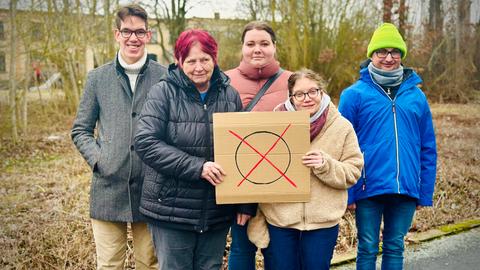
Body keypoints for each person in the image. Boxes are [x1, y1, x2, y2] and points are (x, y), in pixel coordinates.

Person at [134, 29, 256, 270]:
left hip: (216, 210)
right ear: (179, 61)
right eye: (191, 61)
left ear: (215, 59)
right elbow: (145, 141)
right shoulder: (163, 93)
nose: (198, 67)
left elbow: (244, 150)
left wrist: (245, 202)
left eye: (205, 60)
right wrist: (197, 167)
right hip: (171, 210)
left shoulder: (229, 95)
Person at [71, 4, 166, 270]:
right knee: (110, 264)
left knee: (149, 262)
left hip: (152, 189)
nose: (133, 38)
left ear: (148, 35)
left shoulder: (165, 77)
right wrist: (100, 160)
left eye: (139, 32)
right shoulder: (97, 78)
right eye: (127, 31)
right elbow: (80, 130)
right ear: (117, 34)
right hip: (108, 189)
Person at [338, 23, 437, 270]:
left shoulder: (417, 96)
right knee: (367, 247)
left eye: (395, 52)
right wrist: (348, 192)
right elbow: (340, 145)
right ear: (371, 54)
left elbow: (427, 146)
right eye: (382, 51)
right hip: (366, 186)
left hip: (405, 188)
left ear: (402, 56)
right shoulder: (354, 95)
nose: (388, 58)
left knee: (395, 246)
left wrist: (424, 191)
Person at [244, 69, 363, 270]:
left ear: (322, 92)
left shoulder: (342, 127)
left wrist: (326, 165)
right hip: (280, 221)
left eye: (313, 91)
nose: (307, 98)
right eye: (299, 94)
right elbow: (258, 170)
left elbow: (353, 172)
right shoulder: (273, 125)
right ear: (291, 97)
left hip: (322, 224)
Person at [225, 21, 292, 270]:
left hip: (282, 182)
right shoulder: (224, 81)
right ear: (242, 47)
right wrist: (243, 198)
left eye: (264, 43)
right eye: (250, 43)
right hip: (240, 181)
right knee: (242, 248)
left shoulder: (292, 82)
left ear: (274, 46)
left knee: (279, 250)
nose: (257, 49)